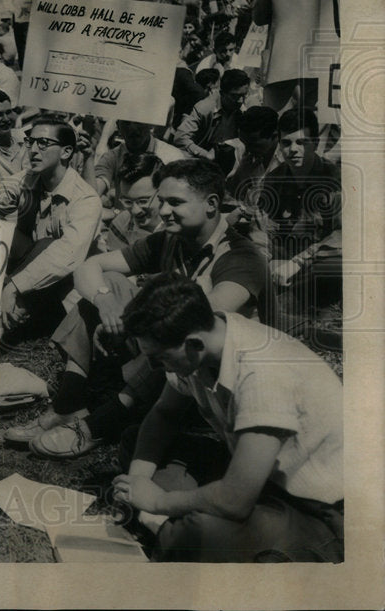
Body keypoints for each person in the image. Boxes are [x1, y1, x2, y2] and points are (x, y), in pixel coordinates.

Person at [20, 159, 270, 459]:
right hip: (180, 370)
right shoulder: (171, 240)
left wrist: (128, 323)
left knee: (180, 333)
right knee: (108, 283)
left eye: (175, 202)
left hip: (226, 380)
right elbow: (90, 265)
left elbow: (200, 319)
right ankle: (67, 404)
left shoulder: (243, 257)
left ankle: (104, 421)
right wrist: (105, 302)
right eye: (161, 201)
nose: (163, 212)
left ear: (212, 204)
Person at [112, 273, 343, 563]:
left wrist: (157, 501)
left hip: (315, 508)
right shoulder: (211, 338)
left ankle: (169, 529)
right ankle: (166, 524)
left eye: (159, 358)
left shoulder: (261, 373)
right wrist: (137, 483)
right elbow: (164, 414)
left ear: (194, 345)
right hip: (254, 474)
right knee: (136, 442)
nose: (154, 367)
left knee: (197, 534)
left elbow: (236, 501)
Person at [0, 116, 101, 342]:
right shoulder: (26, 179)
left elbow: (66, 257)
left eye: (44, 144)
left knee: (49, 246)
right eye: (31, 142)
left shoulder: (86, 199)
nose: (33, 150)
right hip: (30, 264)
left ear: (66, 152)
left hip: (66, 281)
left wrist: (12, 287)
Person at [256, 108, 341, 315]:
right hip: (280, 264)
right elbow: (261, 227)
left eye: (301, 142)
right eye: (286, 143)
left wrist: (298, 262)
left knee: (336, 264)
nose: (292, 149)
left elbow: (343, 236)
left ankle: (300, 306)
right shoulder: (273, 180)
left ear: (315, 143)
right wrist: (266, 259)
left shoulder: (335, 181)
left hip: (315, 263)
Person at [252, 0, 339, 112]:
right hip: (325, 60)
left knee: (277, 126)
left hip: (282, 62)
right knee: (318, 130)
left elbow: (259, 18)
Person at [94, 120, 185, 205]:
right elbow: (93, 193)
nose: (133, 128)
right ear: (118, 126)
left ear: (150, 124)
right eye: (126, 122)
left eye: (138, 122)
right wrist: (88, 157)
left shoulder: (172, 157)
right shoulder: (112, 157)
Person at [173, 68, 251, 162]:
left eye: (244, 96)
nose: (240, 101)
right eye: (235, 96)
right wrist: (206, 155)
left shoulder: (242, 111)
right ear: (223, 93)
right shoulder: (205, 108)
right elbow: (180, 138)